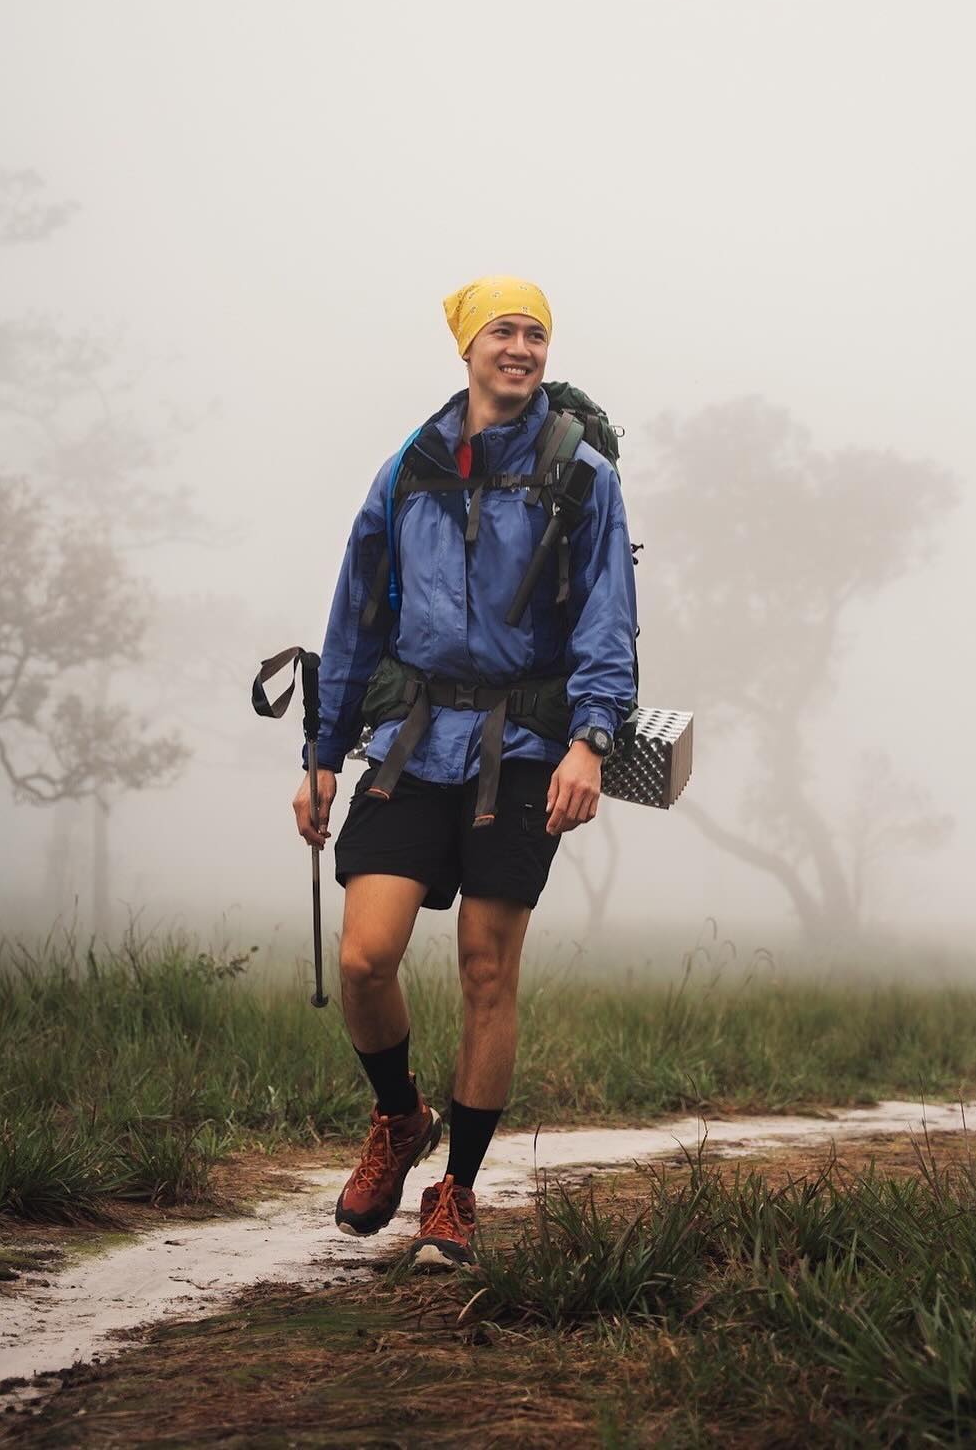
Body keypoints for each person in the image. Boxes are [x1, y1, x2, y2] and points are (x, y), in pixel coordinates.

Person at [291, 277, 637, 1266]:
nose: (521, 347)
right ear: (467, 347)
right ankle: (400, 1118)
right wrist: (321, 759)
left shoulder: (584, 480)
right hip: (412, 742)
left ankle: (457, 1189)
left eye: (535, 333)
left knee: (489, 967)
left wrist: (591, 739)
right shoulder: (409, 467)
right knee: (366, 957)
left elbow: (609, 622)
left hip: (527, 751)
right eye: (503, 331)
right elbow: (357, 617)